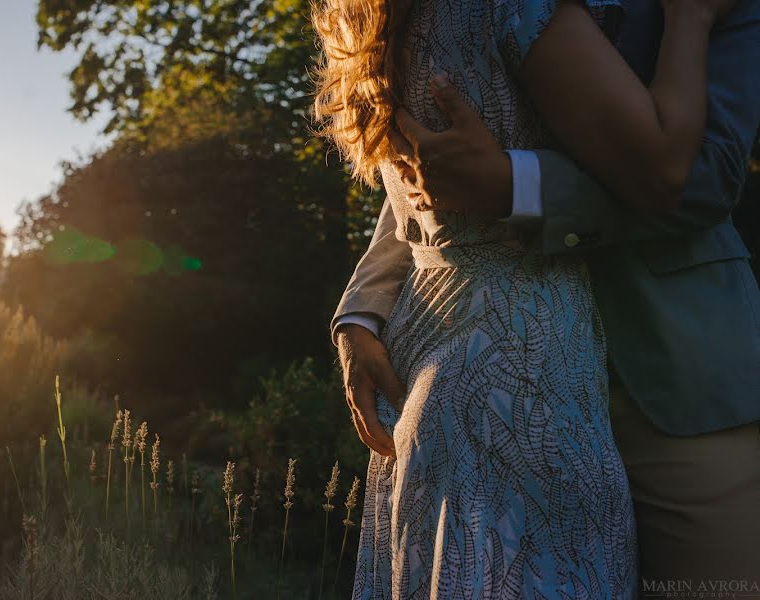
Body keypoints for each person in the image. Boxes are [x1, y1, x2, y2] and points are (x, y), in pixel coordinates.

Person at [313, 0, 756, 597]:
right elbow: (429, 163)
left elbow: (709, 173)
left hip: (674, 382)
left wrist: (516, 185)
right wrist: (364, 306)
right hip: (504, 383)